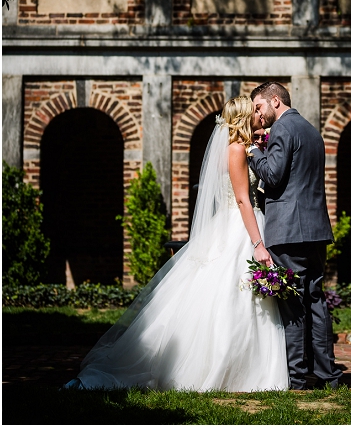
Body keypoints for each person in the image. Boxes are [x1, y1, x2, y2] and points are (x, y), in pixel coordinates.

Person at [67, 96, 288, 391]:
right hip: (240, 226)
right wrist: (258, 244)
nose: (260, 117)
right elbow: (242, 199)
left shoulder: (241, 148)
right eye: (254, 114)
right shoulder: (236, 150)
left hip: (235, 224)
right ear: (244, 119)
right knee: (232, 296)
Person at [248, 81, 340, 390]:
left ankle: (298, 378)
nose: (258, 115)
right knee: (316, 301)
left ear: (275, 101)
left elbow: (273, 175)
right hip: (315, 230)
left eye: (259, 107)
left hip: (289, 230)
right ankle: (329, 375)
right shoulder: (311, 130)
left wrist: (253, 153)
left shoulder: (284, 129)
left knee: (293, 305)